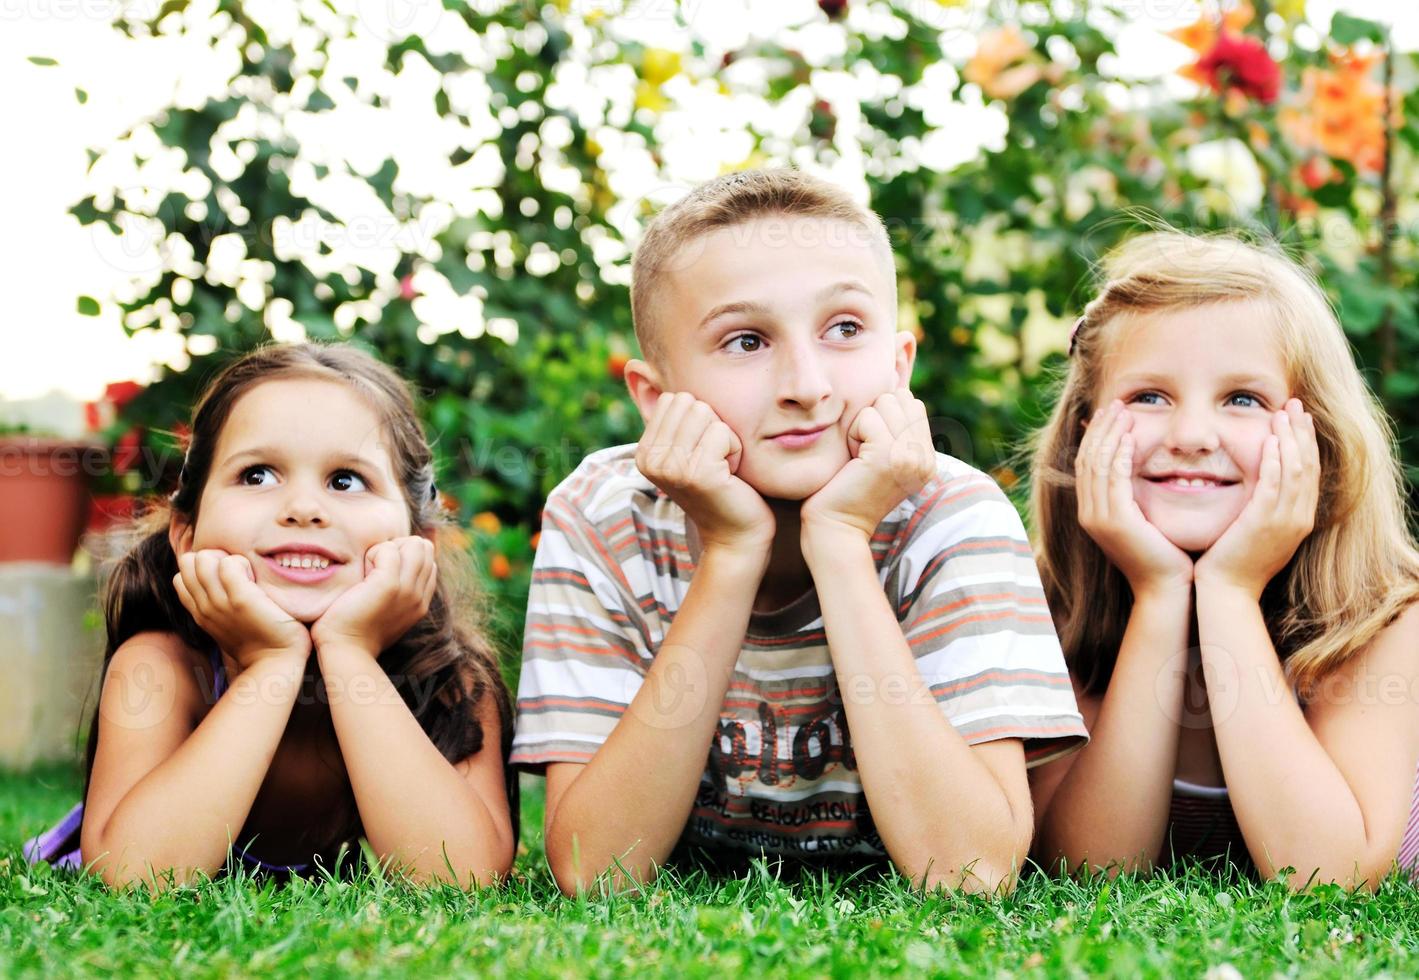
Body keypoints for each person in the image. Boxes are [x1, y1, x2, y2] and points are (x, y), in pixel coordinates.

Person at [511, 169, 1087, 895]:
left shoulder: (953, 517)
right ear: (656, 401)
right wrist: (730, 553)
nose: (806, 384)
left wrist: (843, 539)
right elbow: (598, 872)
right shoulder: (602, 517)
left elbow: (970, 874)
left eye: (843, 329)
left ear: (898, 367)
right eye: (746, 341)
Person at [23, 343, 515, 889]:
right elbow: (137, 877)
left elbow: (461, 879)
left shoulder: (445, 677)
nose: (303, 508)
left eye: (346, 480)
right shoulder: (161, 667)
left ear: (418, 541)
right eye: (257, 475)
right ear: (187, 537)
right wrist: (271, 664)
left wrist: (349, 652)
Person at [1027, 231, 1419, 888]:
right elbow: (1090, 874)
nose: (1188, 438)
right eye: (1148, 397)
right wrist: (1157, 594)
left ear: (1315, 434)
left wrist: (1229, 591)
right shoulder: (1049, 608)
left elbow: (1328, 877)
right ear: (1083, 431)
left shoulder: (1386, 614)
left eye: (1242, 399)